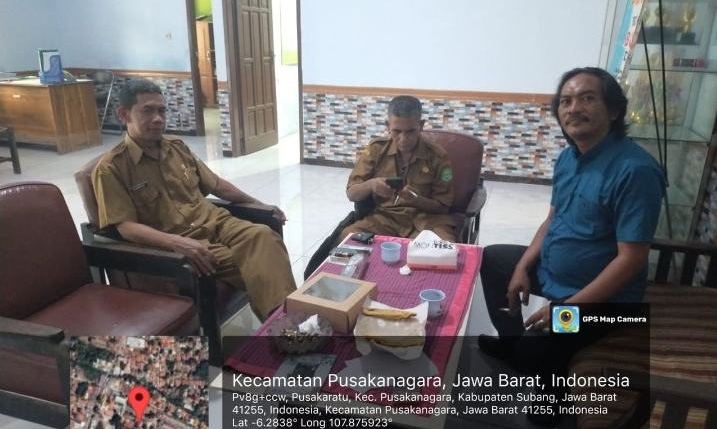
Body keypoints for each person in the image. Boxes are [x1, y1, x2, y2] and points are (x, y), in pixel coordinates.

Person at [477, 67, 665, 428]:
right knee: (494, 258)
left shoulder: (636, 171)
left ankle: (548, 387)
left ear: (614, 110)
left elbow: (632, 259)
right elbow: (552, 219)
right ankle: (513, 345)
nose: (573, 108)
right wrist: (522, 267)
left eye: (586, 98)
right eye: (565, 101)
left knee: (535, 349)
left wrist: (568, 308)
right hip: (554, 273)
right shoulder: (568, 157)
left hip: (606, 303)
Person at [92, 79, 297, 320]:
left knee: (264, 235)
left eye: (162, 111)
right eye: (147, 111)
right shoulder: (111, 168)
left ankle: (287, 326)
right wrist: (176, 243)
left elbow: (216, 185)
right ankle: (288, 328)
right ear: (124, 114)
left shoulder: (177, 147)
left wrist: (259, 204)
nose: (158, 118)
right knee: (265, 263)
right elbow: (125, 227)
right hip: (185, 240)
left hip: (218, 223)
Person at [338, 95, 456, 243]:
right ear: (388, 126)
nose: (403, 138)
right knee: (349, 238)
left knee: (446, 247)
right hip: (385, 219)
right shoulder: (376, 150)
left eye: (410, 131)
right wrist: (371, 185)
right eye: (397, 131)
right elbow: (352, 194)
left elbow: (443, 207)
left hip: (427, 220)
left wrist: (417, 200)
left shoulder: (438, 156)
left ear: (421, 125)